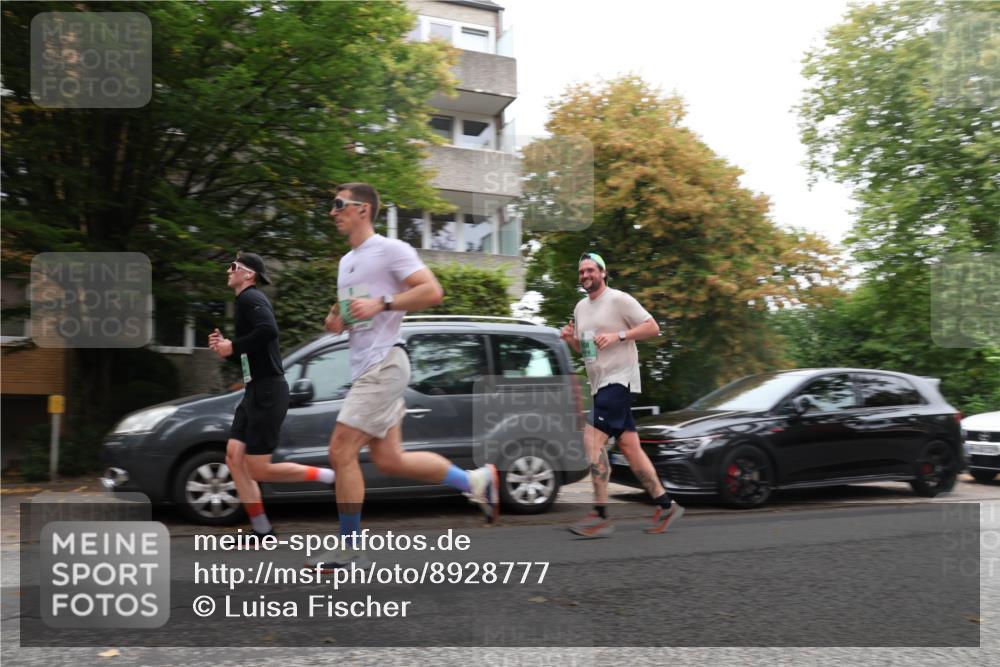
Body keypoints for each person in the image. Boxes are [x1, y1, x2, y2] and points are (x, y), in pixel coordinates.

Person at [306, 182, 499, 571]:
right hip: (368, 367)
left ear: (363, 209)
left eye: (339, 204)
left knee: (340, 451)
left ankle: (349, 548)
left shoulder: (391, 249)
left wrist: (383, 303)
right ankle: (475, 482)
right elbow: (348, 315)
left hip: (384, 365)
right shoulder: (346, 262)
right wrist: (336, 320)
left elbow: (432, 291)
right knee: (390, 459)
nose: (332, 212)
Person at [209, 252, 336, 539]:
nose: (228, 271)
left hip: (267, 391)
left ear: (249, 274)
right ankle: (261, 529)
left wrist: (233, 346)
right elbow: (253, 350)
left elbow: (268, 330)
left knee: (258, 469)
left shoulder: (250, 298)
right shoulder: (245, 301)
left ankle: (329, 476)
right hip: (254, 390)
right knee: (234, 458)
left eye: (233, 266)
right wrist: (227, 349)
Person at [560, 251, 683, 537]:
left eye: (590, 270)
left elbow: (653, 327)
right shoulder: (580, 308)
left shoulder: (618, 299)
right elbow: (587, 351)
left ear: (603, 273)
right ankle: (666, 505)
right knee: (630, 447)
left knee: (591, 439)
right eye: (581, 271)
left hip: (619, 381)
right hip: (599, 384)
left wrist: (619, 335)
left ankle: (600, 514)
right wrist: (571, 341)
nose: (585, 275)